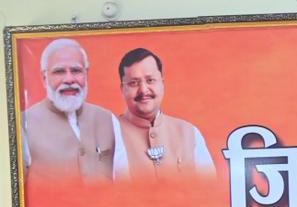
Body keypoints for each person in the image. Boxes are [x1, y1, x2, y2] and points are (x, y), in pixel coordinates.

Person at [21, 38, 128, 181]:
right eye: (59, 71)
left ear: (86, 74)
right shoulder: (23, 124)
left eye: (76, 70)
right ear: (44, 78)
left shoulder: (108, 119)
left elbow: (124, 182)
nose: (69, 79)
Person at [116, 48, 215, 179]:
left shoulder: (189, 133)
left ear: (162, 84)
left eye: (150, 80)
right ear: (123, 89)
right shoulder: (110, 135)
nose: (143, 90)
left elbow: (209, 188)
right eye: (134, 83)